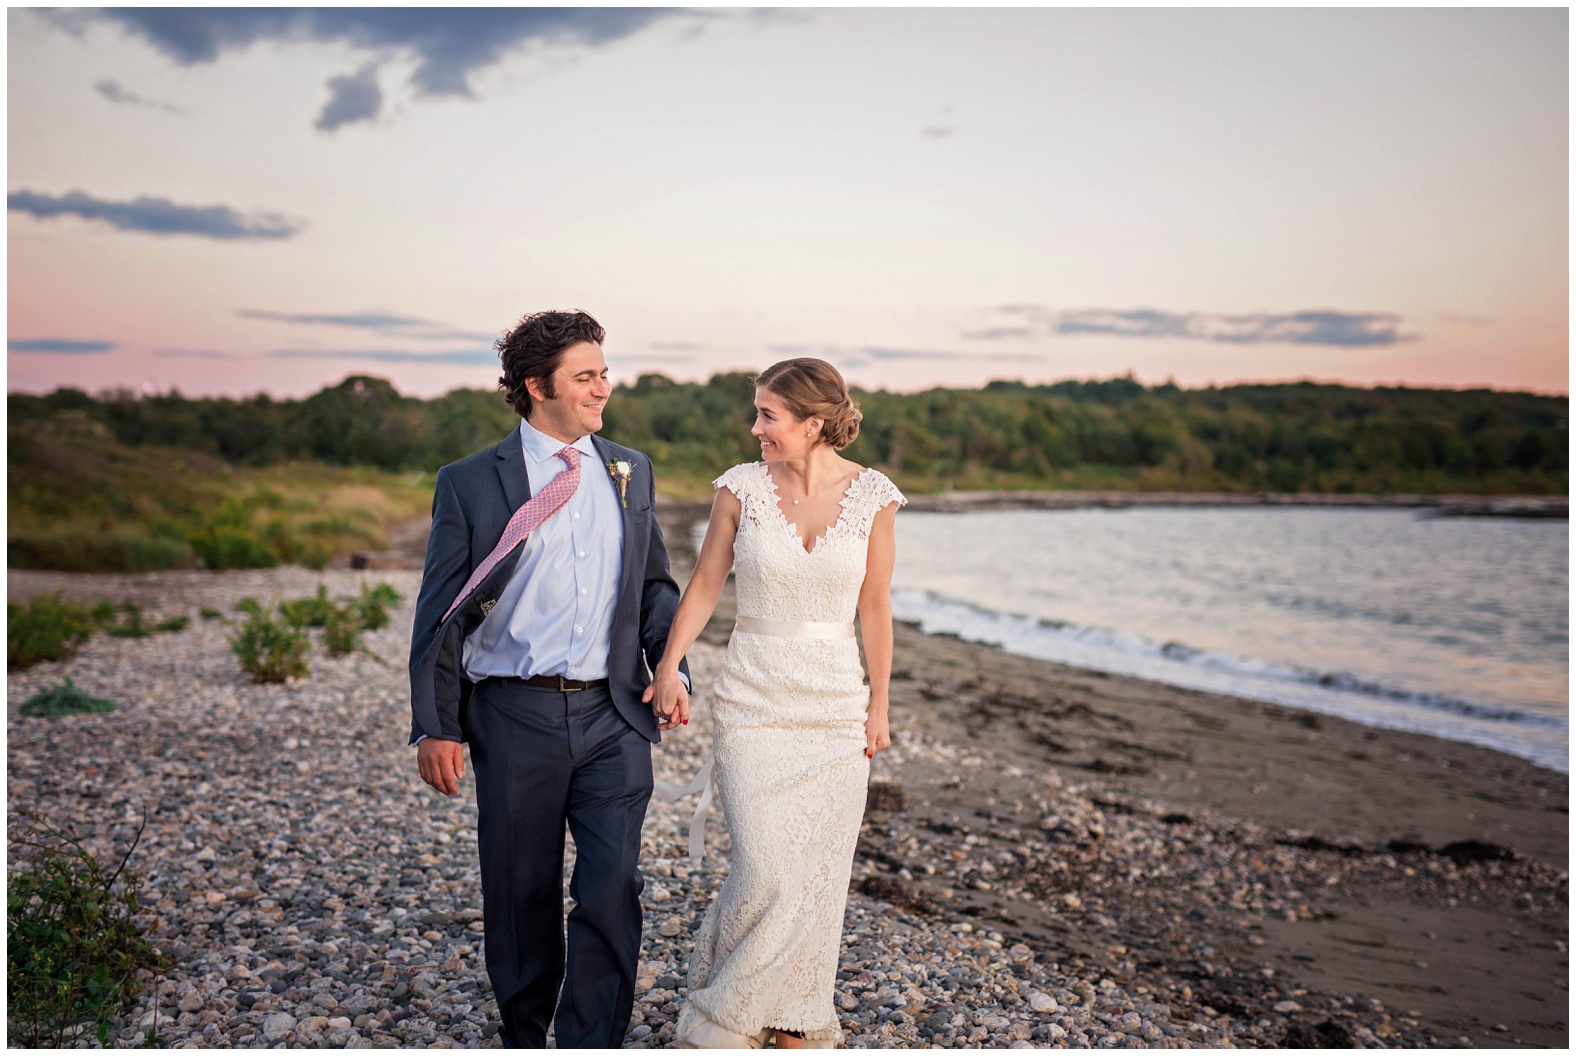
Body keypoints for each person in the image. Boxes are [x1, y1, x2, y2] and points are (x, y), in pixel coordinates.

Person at [407, 309, 691, 1048]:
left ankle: (592, 1039)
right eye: (586, 375)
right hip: (512, 714)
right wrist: (435, 724)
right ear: (538, 386)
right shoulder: (470, 483)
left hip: (613, 716)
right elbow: (441, 611)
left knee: (611, 886)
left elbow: (655, 586)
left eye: (604, 371)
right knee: (520, 891)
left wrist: (673, 667)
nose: (604, 387)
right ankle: (527, 1035)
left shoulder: (630, 469)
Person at [647, 357, 906, 1049]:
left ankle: (795, 1014)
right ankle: (726, 1011)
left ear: (813, 424)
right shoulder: (740, 489)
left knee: (819, 872)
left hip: (834, 709)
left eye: (768, 415)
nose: (755, 426)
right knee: (764, 864)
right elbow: (704, 585)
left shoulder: (875, 495)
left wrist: (879, 706)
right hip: (754, 699)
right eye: (757, 412)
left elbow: (876, 609)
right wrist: (670, 664)